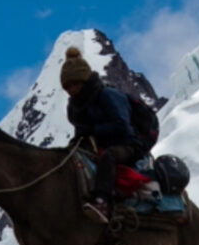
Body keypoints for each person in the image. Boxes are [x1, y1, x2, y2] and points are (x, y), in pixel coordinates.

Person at [60, 46, 147, 224]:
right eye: (68, 87)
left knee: (109, 157)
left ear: (83, 81)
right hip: (99, 145)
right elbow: (81, 131)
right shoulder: (76, 107)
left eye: (75, 84)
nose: (72, 90)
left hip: (129, 144)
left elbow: (122, 125)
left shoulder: (108, 95)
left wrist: (93, 131)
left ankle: (102, 202)